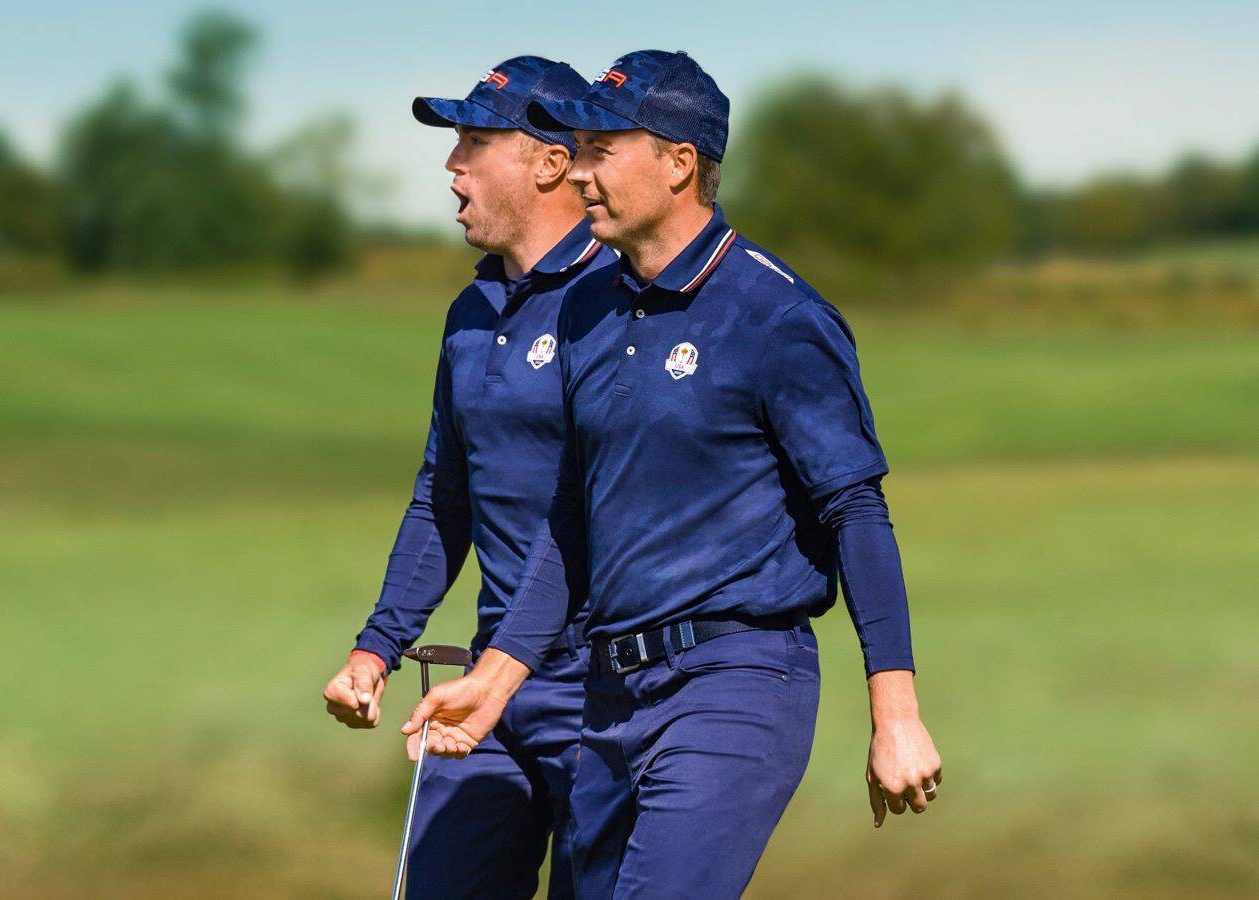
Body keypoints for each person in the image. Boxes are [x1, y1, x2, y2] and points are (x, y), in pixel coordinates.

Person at [403, 50, 943, 897]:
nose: (578, 171)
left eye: (600, 149)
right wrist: (498, 677)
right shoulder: (587, 308)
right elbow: (571, 522)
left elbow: (855, 514)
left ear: (678, 162)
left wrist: (896, 715)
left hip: (734, 681)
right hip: (610, 699)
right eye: (573, 149)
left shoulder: (777, 315)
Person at [320, 55, 613, 898]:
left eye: (476, 142)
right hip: (488, 682)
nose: (453, 166)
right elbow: (442, 496)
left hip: (606, 690)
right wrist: (376, 646)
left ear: (551, 162)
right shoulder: (472, 310)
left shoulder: (619, 301)